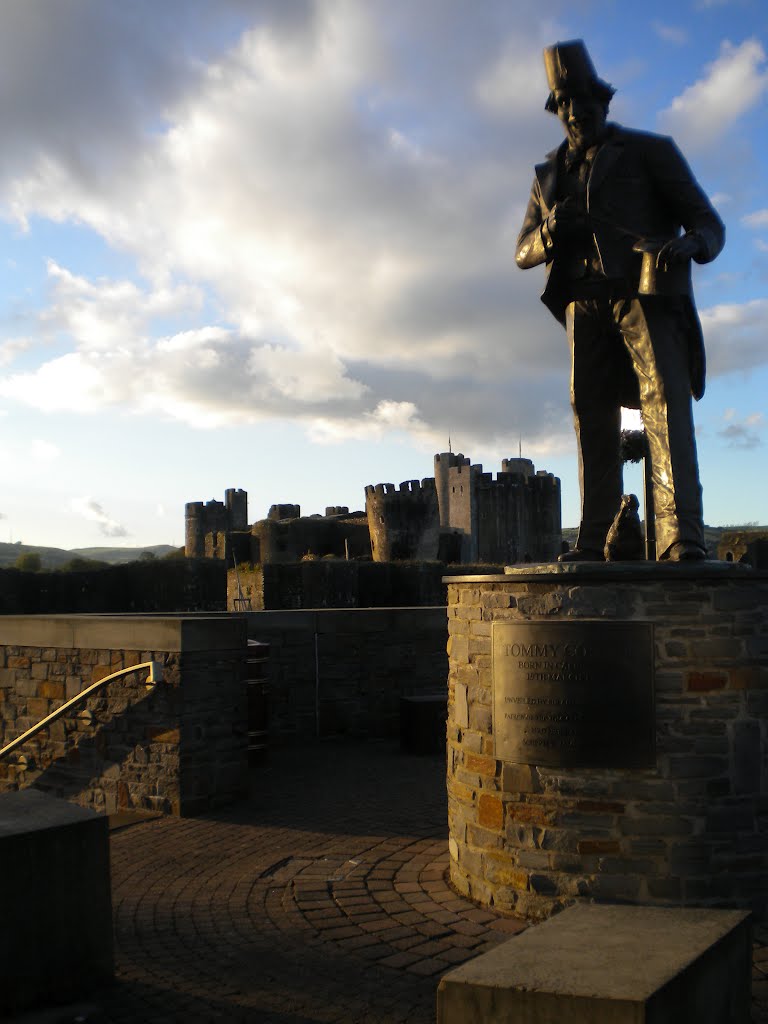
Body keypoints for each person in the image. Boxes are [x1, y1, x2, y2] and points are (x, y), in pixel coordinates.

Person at [516, 40, 725, 561]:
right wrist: (548, 232)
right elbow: (522, 251)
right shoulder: (546, 175)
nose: (574, 113)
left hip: (644, 294)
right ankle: (594, 539)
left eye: (583, 103)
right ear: (557, 112)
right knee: (591, 418)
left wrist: (691, 244)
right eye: (564, 105)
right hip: (581, 305)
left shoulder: (649, 152)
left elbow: (708, 222)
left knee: (665, 410)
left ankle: (682, 537)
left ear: (603, 103)